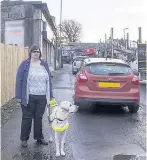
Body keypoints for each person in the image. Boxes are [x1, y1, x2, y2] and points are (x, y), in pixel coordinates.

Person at [15, 44, 55, 147]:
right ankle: (24, 139)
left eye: (38, 52)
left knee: (39, 118)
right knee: (27, 118)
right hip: (29, 97)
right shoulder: (25, 64)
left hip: (42, 97)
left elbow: (49, 81)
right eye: (34, 51)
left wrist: (51, 95)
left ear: (40, 53)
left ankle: (39, 137)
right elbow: (19, 80)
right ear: (30, 53)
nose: (36, 53)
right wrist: (18, 96)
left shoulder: (44, 64)